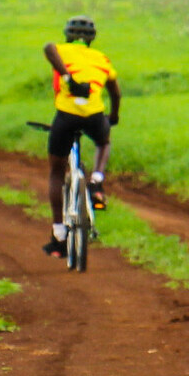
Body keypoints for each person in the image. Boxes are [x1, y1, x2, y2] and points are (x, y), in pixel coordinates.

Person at [41, 16, 119, 256]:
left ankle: (59, 232)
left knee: (56, 171)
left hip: (66, 116)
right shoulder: (102, 59)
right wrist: (113, 117)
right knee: (103, 142)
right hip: (95, 115)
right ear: (92, 38)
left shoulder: (61, 50)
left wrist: (68, 79)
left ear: (67, 34)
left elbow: (48, 48)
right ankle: (96, 179)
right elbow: (116, 92)